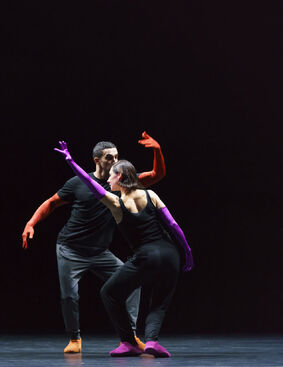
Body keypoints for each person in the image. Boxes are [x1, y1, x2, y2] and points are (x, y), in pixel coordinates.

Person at [22, 132, 166, 353]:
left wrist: (157, 150)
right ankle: (74, 339)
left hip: (100, 252)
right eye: (110, 158)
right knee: (69, 295)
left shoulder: (124, 183)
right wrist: (31, 223)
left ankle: (130, 337)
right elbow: (51, 203)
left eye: (117, 157)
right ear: (97, 160)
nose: (115, 162)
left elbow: (157, 174)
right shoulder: (78, 182)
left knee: (133, 283)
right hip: (70, 249)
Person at [54, 140, 194, 358]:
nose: (108, 179)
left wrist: (71, 162)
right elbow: (174, 225)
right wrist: (187, 252)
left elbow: (90, 184)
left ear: (119, 177)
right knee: (158, 303)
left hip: (146, 256)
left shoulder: (117, 203)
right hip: (170, 254)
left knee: (109, 293)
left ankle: (128, 341)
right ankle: (152, 342)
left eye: (112, 176)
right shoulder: (150, 194)